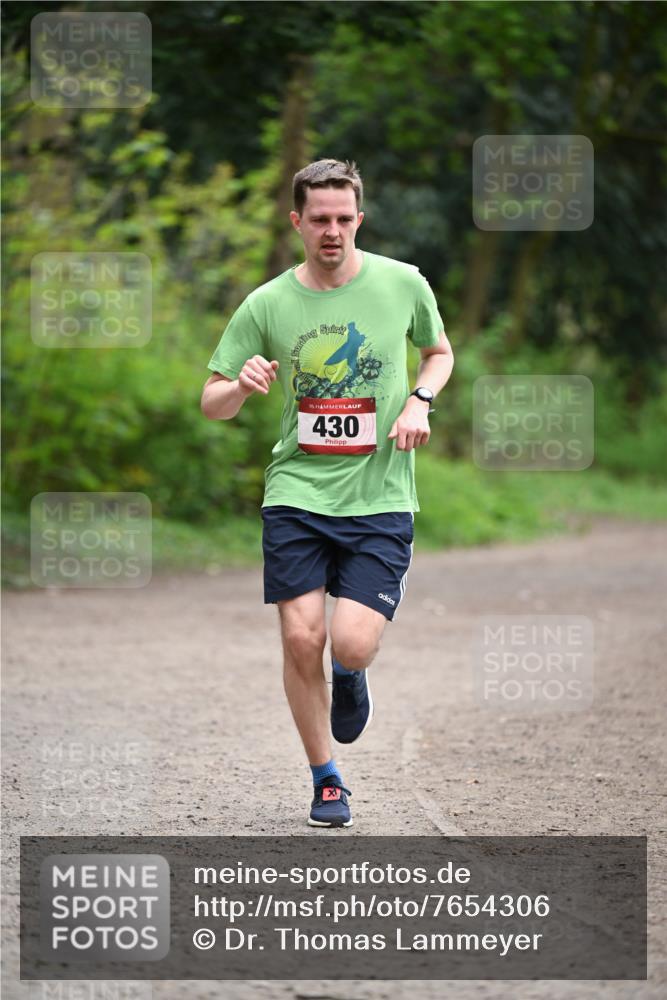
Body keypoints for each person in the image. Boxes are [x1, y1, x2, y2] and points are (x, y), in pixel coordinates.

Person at [201, 159, 454, 828]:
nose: (332, 231)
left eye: (344, 218)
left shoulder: (402, 284)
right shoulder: (267, 303)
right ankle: (327, 779)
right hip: (297, 491)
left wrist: (420, 400)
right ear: (297, 222)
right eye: (319, 219)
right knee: (298, 636)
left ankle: (349, 673)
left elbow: (438, 352)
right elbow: (211, 401)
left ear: (359, 219)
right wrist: (240, 386)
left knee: (351, 644)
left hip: (380, 495)